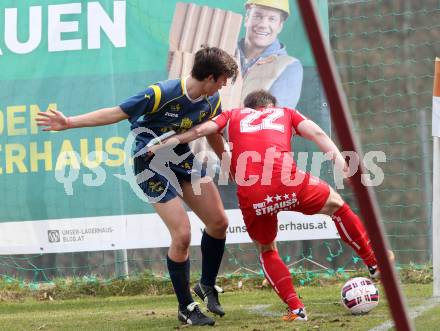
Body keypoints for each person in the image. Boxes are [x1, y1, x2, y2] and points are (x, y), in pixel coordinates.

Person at [36, 46, 239, 326]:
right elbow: (116, 112)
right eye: (223, 79)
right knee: (181, 235)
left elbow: (213, 129)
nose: (225, 84)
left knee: (219, 222)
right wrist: (69, 122)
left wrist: (228, 160)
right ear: (210, 77)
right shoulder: (160, 93)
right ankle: (186, 308)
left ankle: (206, 285)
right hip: (149, 163)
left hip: (180, 157)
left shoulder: (211, 99)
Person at [149, 90, 388, 322]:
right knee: (337, 206)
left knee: (266, 249)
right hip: (290, 184)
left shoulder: (233, 115)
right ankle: (373, 262)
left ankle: (297, 309)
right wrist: (342, 164)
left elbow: (201, 130)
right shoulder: (285, 112)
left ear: (248, 107)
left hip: (253, 194)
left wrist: (167, 141)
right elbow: (318, 134)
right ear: (270, 105)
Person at [238, 0, 303, 108]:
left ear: (280, 26)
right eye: (258, 16)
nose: (263, 25)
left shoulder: (289, 67)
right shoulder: (224, 51)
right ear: (246, 19)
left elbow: (275, 119)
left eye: (272, 19)